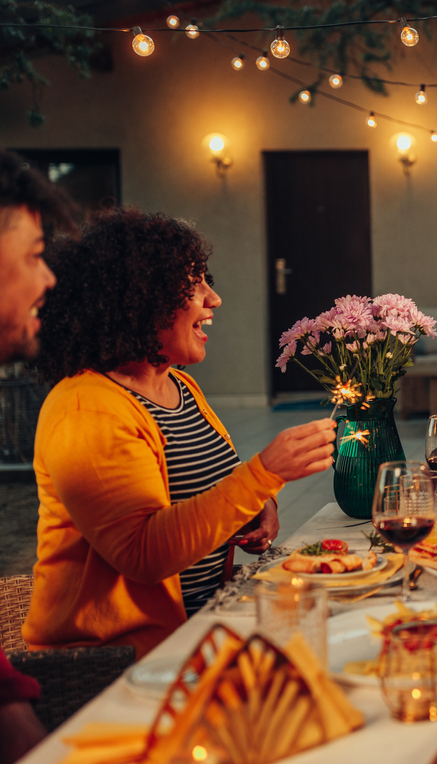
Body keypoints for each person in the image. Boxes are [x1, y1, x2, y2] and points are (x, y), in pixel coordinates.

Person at [23, 208, 335, 658]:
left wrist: (259, 507)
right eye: (194, 284)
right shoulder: (86, 407)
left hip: (204, 628)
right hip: (116, 661)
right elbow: (143, 554)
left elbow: (212, 486)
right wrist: (264, 475)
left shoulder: (178, 385)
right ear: (137, 298)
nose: (214, 299)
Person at [0, 150, 74, 764]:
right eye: (33, 254)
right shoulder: (84, 406)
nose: (48, 279)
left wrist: (11, 708)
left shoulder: (184, 388)